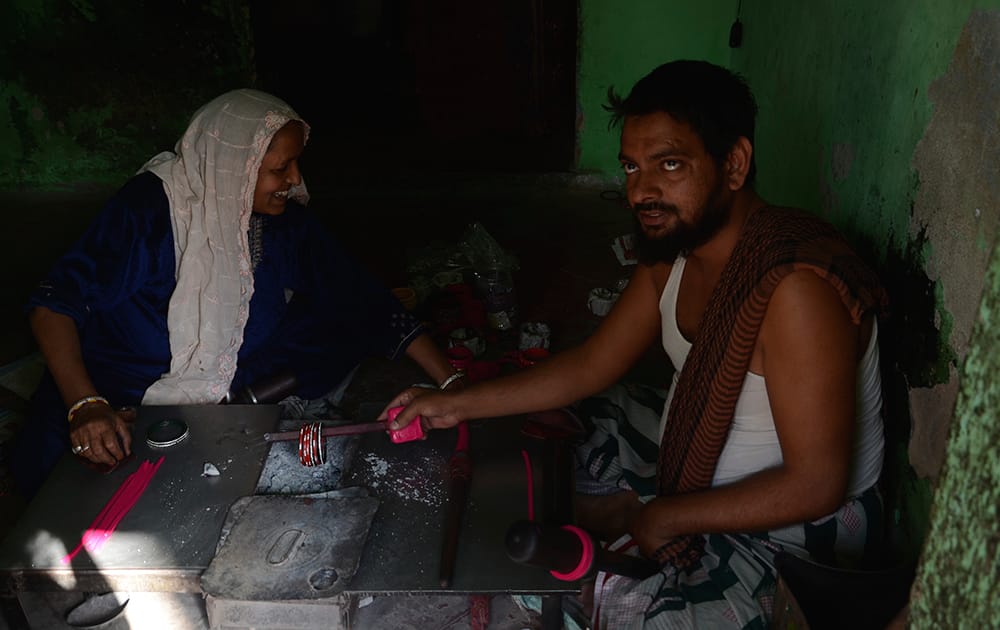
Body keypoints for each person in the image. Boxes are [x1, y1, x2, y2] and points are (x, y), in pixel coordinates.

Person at [382, 60, 889, 628]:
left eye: (669, 165)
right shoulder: (676, 252)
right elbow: (592, 365)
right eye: (631, 167)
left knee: (637, 614)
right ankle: (628, 508)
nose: (642, 190)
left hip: (788, 526)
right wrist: (452, 401)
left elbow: (817, 485)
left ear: (735, 164)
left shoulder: (795, 290)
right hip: (688, 451)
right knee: (550, 415)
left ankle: (633, 513)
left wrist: (669, 518)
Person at [11, 89, 461, 500]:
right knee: (83, 492)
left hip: (227, 374)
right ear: (234, 166)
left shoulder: (279, 220)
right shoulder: (150, 209)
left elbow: (361, 293)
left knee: (338, 318)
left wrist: (453, 387)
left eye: (296, 163)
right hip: (120, 392)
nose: (295, 179)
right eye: (279, 168)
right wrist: (86, 405)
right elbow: (54, 305)